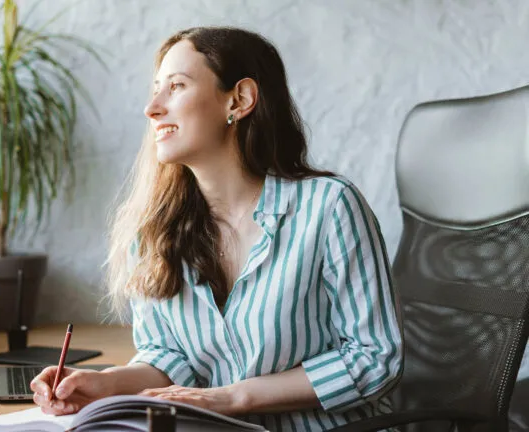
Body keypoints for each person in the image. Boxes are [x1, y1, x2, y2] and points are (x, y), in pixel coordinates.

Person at [30, 26, 403, 430]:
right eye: (156, 89)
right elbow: (168, 357)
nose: (152, 108)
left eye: (176, 86)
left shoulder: (329, 208)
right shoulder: (154, 231)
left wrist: (234, 397)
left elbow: (374, 357)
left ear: (239, 99)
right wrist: (105, 384)